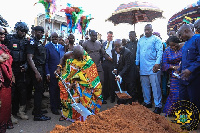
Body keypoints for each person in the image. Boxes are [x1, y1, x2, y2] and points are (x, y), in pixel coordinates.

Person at [55, 45, 103, 122]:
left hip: (82, 83)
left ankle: (84, 116)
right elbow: (63, 59)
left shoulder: (86, 59)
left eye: (81, 57)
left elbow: (89, 72)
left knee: (83, 96)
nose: (80, 59)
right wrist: (59, 67)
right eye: (78, 57)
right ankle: (66, 115)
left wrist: (75, 83)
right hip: (69, 78)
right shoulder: (68, 55)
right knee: (66, 96)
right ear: (73, 55)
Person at [136, 24, 163, 114]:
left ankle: (158, 105)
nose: (146, 31)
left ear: (152, 30)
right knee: (145, 86)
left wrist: (157, 63)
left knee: (155, 87)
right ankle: (147, 102)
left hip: (153, 66)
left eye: (148, 30)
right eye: (145, 30)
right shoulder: (140, 40)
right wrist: (137, 63)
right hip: (143, 66)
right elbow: (138, 52)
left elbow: (160, 51)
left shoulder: (156, 39)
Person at [4, 22, 29, 120]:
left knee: (22, 91)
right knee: (11, 92)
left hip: (22, 69)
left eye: (25, 31)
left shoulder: (26, 41)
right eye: (21, 31)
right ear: (17, 29)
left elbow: (29, 56)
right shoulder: (9, 39)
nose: (23, 33)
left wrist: (26, 66)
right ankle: (9, 114)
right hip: (11, 69)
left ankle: (21, 111)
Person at [26, 26, 51, 121]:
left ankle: (37, 109)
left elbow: (40, 49)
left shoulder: (38, 42)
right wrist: (36, 72)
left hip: (41, 68)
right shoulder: (31, 42)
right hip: (37, 69)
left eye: (42, 32)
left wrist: (45, 36)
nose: (40, 34)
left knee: (40, 91)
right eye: (39, 32)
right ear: (34, 32)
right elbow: (29, 58)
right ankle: (37, 115)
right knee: (38, 91)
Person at [82, 30, 112, 104]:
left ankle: (100, 98)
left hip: (98, 65)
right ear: (90, 35)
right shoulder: (85, 43)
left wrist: (109, 58)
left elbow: (103, 53)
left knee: (101, 81)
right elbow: (81, 54)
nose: (95, 37)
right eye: (93, 36)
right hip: (89, 67)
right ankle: (91, 99)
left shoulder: (98, 43)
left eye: (96, 36)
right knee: (90, 83)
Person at [177, 24, 200, 116]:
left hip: (194, 78)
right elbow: (184, 59)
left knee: (194, 101)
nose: (180, 38)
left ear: (186, 31)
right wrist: (179, 69)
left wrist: (190, 69)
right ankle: (184, 120)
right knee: (183, 101)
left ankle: (193, 124)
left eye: (180, 34)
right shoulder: (186, 43)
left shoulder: (197, 39)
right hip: (183, 78)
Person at [162, 36, 182, 116]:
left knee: (183, 95)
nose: (173, 47)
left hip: (185, 73)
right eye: (171, 46)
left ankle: (182, 114)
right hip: (174, 75)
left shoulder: (183, 48)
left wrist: (181, 67)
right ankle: (172, 112)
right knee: (174, 94)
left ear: (178, 42)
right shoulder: (167, 51)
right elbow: (164, 64)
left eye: (174, 45)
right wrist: (174, 67)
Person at [112, 39, 137, 104]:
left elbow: (127, 66)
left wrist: (120, 75)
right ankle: (122, 103)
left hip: (130, 72)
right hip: (122, 72)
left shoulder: (127, 52)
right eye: (115, 46)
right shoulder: (114, 51)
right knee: (122, 87)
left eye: (118, 46)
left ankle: (131, 103)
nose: (117, 48)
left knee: (130, 88)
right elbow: (116, 62)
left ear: (122, 45)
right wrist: (115, 69)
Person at [0, 26, 14, 133]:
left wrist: (11, 75)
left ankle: (6, 121)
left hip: (7, 79)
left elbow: (7, 61)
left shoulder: (4, 47)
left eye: (4, 33)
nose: (3, 35)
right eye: (0, 34)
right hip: (1, 79)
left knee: (6, 103)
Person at [45, 32, 62, 115]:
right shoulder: (47, 47)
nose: (55, 38)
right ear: (51, 38)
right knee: (53, 90)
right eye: (53, 37)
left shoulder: (60, 46)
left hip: (60, 72)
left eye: (56, 37)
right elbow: (46, 62)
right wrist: (47, 73)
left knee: (59, 89)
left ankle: (58, 104)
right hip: (52, 72)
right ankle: (53, 107)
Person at [125, 31, 143, 104]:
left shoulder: (139, 44)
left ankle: (140, 99)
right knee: (131, 83)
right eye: (129, 36)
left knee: (139, 83)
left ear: (135, 35)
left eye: (132, 35)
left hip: (138, 66)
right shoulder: (127, 45)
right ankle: (132, 99)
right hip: (130, 67)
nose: (130, 37)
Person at [102, 31, 116, 103]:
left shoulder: (114, 44)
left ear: (112, 37)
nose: (109, 37)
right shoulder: (104, 44)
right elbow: (102, 53)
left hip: (112, 63)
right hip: (105, 63)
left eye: (111, 36)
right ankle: (105, 95)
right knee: (105, 80)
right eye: (108, 36)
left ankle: (112, 97)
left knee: (112, 80)